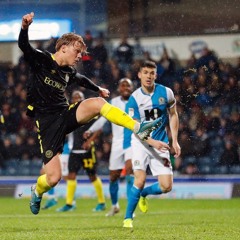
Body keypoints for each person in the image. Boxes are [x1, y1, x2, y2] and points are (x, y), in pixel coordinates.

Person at [18, 12, 162, 215]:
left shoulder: (68, 71)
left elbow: (81, 79)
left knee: (97, 103)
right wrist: (25, 27)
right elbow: (24, 46)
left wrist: (97, 89)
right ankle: (37, 191)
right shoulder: (41, 60)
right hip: (48, 123)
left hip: (65, 114)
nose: (79, 56)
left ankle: (139, 128)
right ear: (63, 47)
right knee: (53, 178)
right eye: (77, 51)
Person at [123, 60, 181, 228]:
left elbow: (173, 114)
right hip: (141, 143)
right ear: (139, 75)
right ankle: (128, 218)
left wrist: (175, 141)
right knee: (139, 179)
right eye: (145, 73)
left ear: (156, 75)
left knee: (166, 186)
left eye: (152, 73)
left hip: (161, 143)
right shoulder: (134, 99)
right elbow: (135, 127)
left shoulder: (166, 93)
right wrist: (152, 142)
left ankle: (144, 195)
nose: (148, 76)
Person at [84, 78, 134, 217]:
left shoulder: (137, 101)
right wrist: (91, 130)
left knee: (130, 172)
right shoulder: (113, 102)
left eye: (128, 85)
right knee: (113, 177)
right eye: (123, 85)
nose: (125, 87)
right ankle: (115, 206)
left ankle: (131, 209)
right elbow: (102, 119)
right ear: (119, 88)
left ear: (132, 88)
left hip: (132, 142)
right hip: (117, 143)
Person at [56, 90, 106, 212]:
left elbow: (99, 128)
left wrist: (90, 141)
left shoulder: (90, 113)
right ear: (72, 100)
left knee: (92, 176)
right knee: (71, 176)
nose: (77, 99)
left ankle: (102, 202)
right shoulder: (68, 113)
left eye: (80, 97)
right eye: (75, 97)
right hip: (74, 151)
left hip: (87, 151)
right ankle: (69, 203)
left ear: (84, 100)